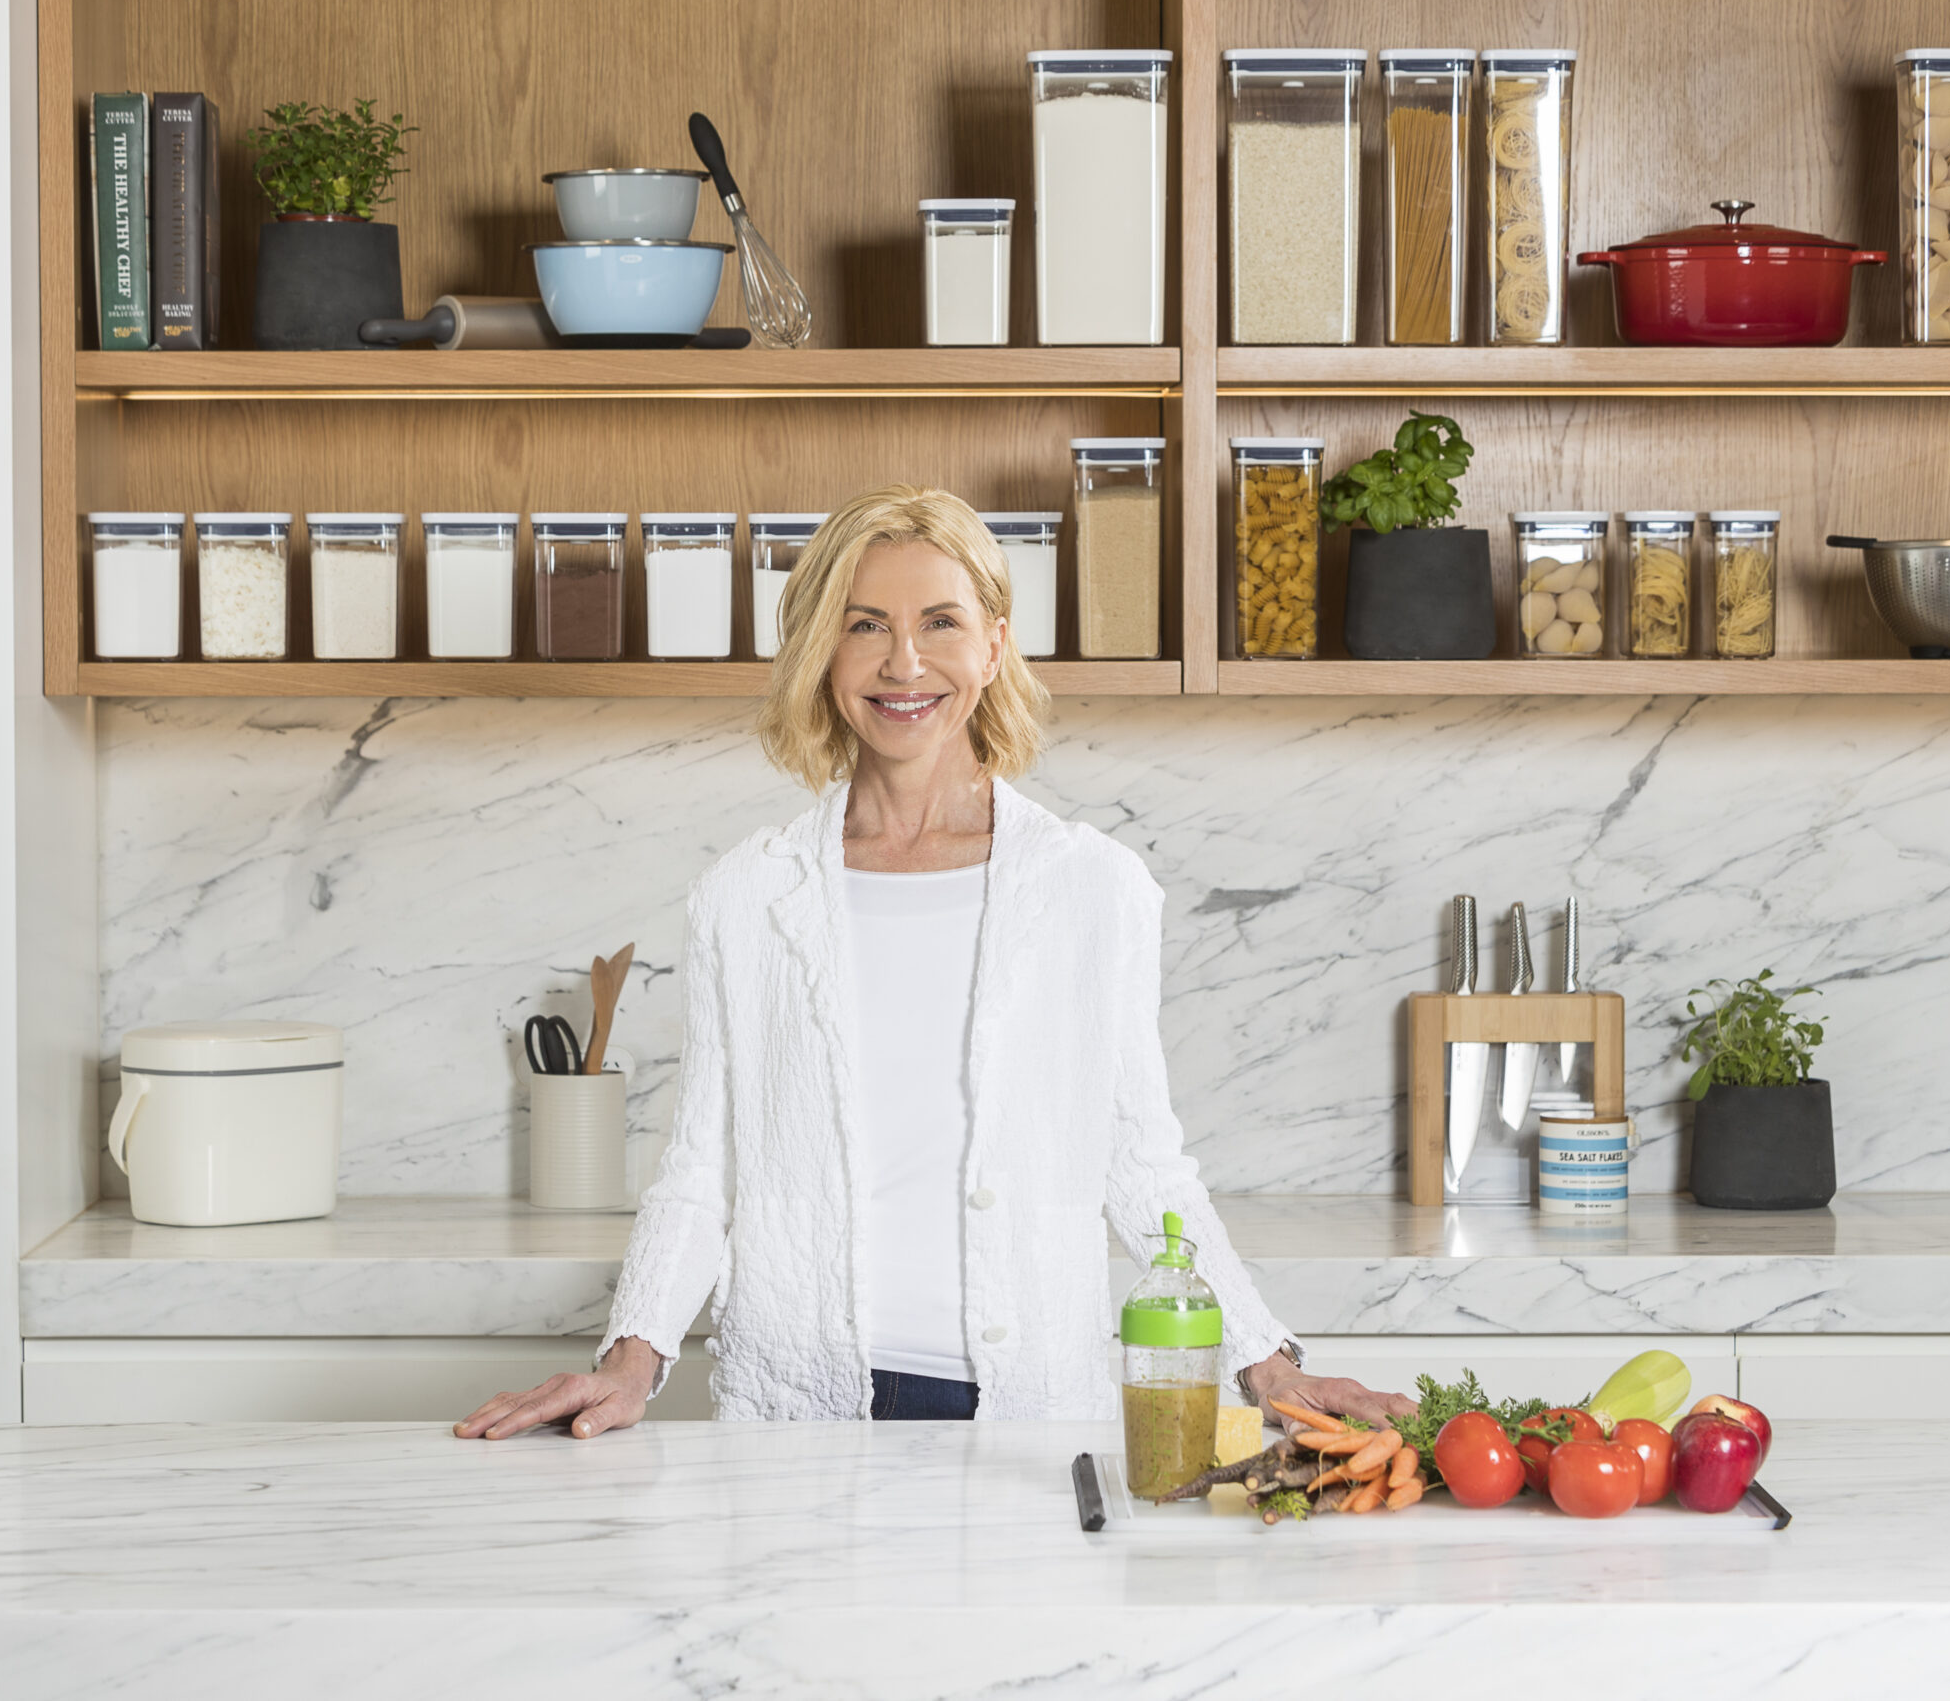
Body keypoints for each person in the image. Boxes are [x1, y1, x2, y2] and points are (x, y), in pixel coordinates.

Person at [458, 485, 1413, 1438]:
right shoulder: (746, 896)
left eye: (940, 622)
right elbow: (703, 1168)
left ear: (994, 645)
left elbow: (1141, 1160)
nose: (903, 661)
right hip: (804, 1402)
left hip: (1032, 1405)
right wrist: (632, 1361)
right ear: (822, 651)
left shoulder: (1093, 886)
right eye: (864, 623)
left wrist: (1268, 1363)